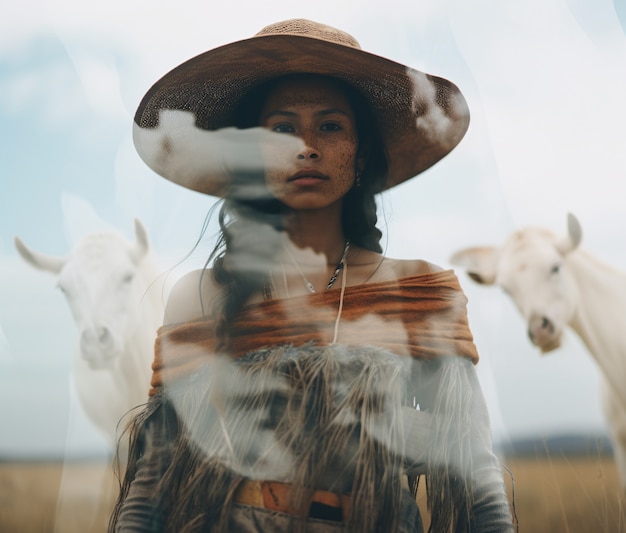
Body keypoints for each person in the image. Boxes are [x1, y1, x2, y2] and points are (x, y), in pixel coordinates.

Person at [110, 19, 515, 533]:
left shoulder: (419, 293)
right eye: (281, 128)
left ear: (360, 152)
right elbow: (152, 485)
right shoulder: (200, 296)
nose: (306, 146)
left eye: (329, 126)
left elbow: (477, 479)